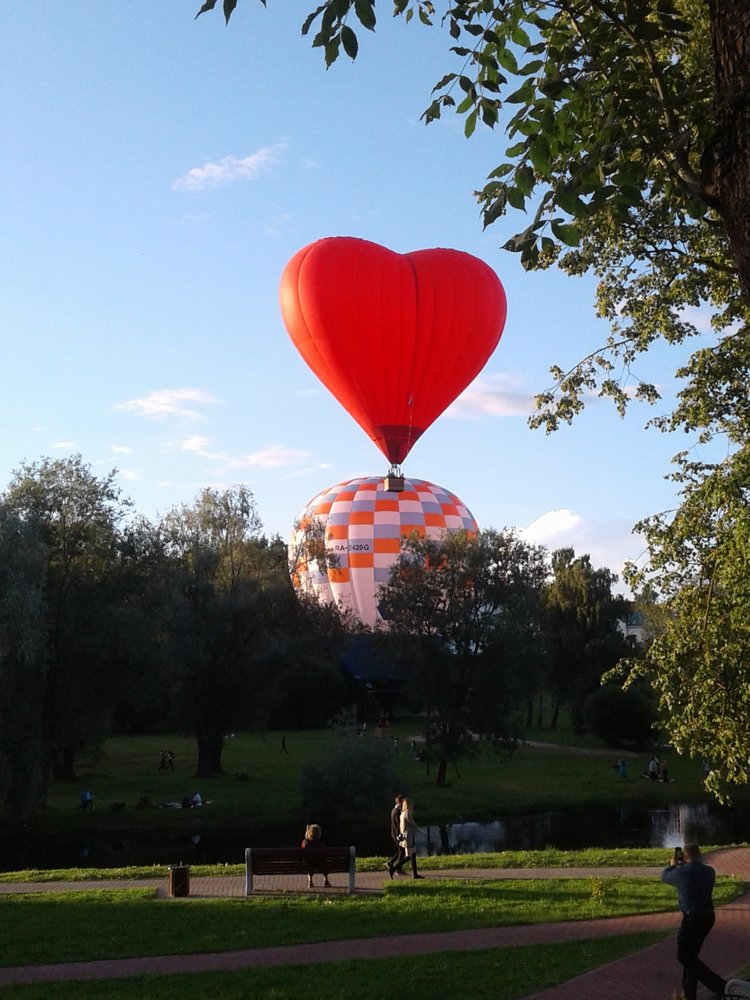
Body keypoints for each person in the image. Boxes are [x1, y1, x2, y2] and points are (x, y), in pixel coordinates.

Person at [661, 842, 727, 1000]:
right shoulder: (709, 871)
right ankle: (690, 995)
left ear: (684, 856)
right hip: (708, 917)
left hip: (693, 918)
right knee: (691, 958)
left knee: (683, 956)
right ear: (700, 854)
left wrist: (673, 865)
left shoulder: (682, 872)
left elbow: (664, 876)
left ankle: (720, 986)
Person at [399, 797, 425, 879]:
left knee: (413, 855)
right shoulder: (407, 814)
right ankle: (395, 868)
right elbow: (413, 825)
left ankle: (415, 874)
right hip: (409, 837)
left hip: (406, 836)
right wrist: (421, 832)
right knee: (409, 856)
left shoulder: (402, 814)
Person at [301, 822, 330, 888]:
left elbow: (304, 845)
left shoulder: (306, 843)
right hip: (320, 863)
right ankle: (326, 880)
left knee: (309, 863)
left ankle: (310, 881)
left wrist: (306, 836)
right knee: (323, 863)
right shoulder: (321, 844)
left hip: (309, 864)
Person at [386, 794, 407, 878]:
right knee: (402, 851)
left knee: (400, 851)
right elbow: (398, 824)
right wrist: (401, 834)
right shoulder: (397, 811)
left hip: (394, 834)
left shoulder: (394, 810)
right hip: (397, 834)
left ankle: (390, 863)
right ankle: (398, 869)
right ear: (401, 802)